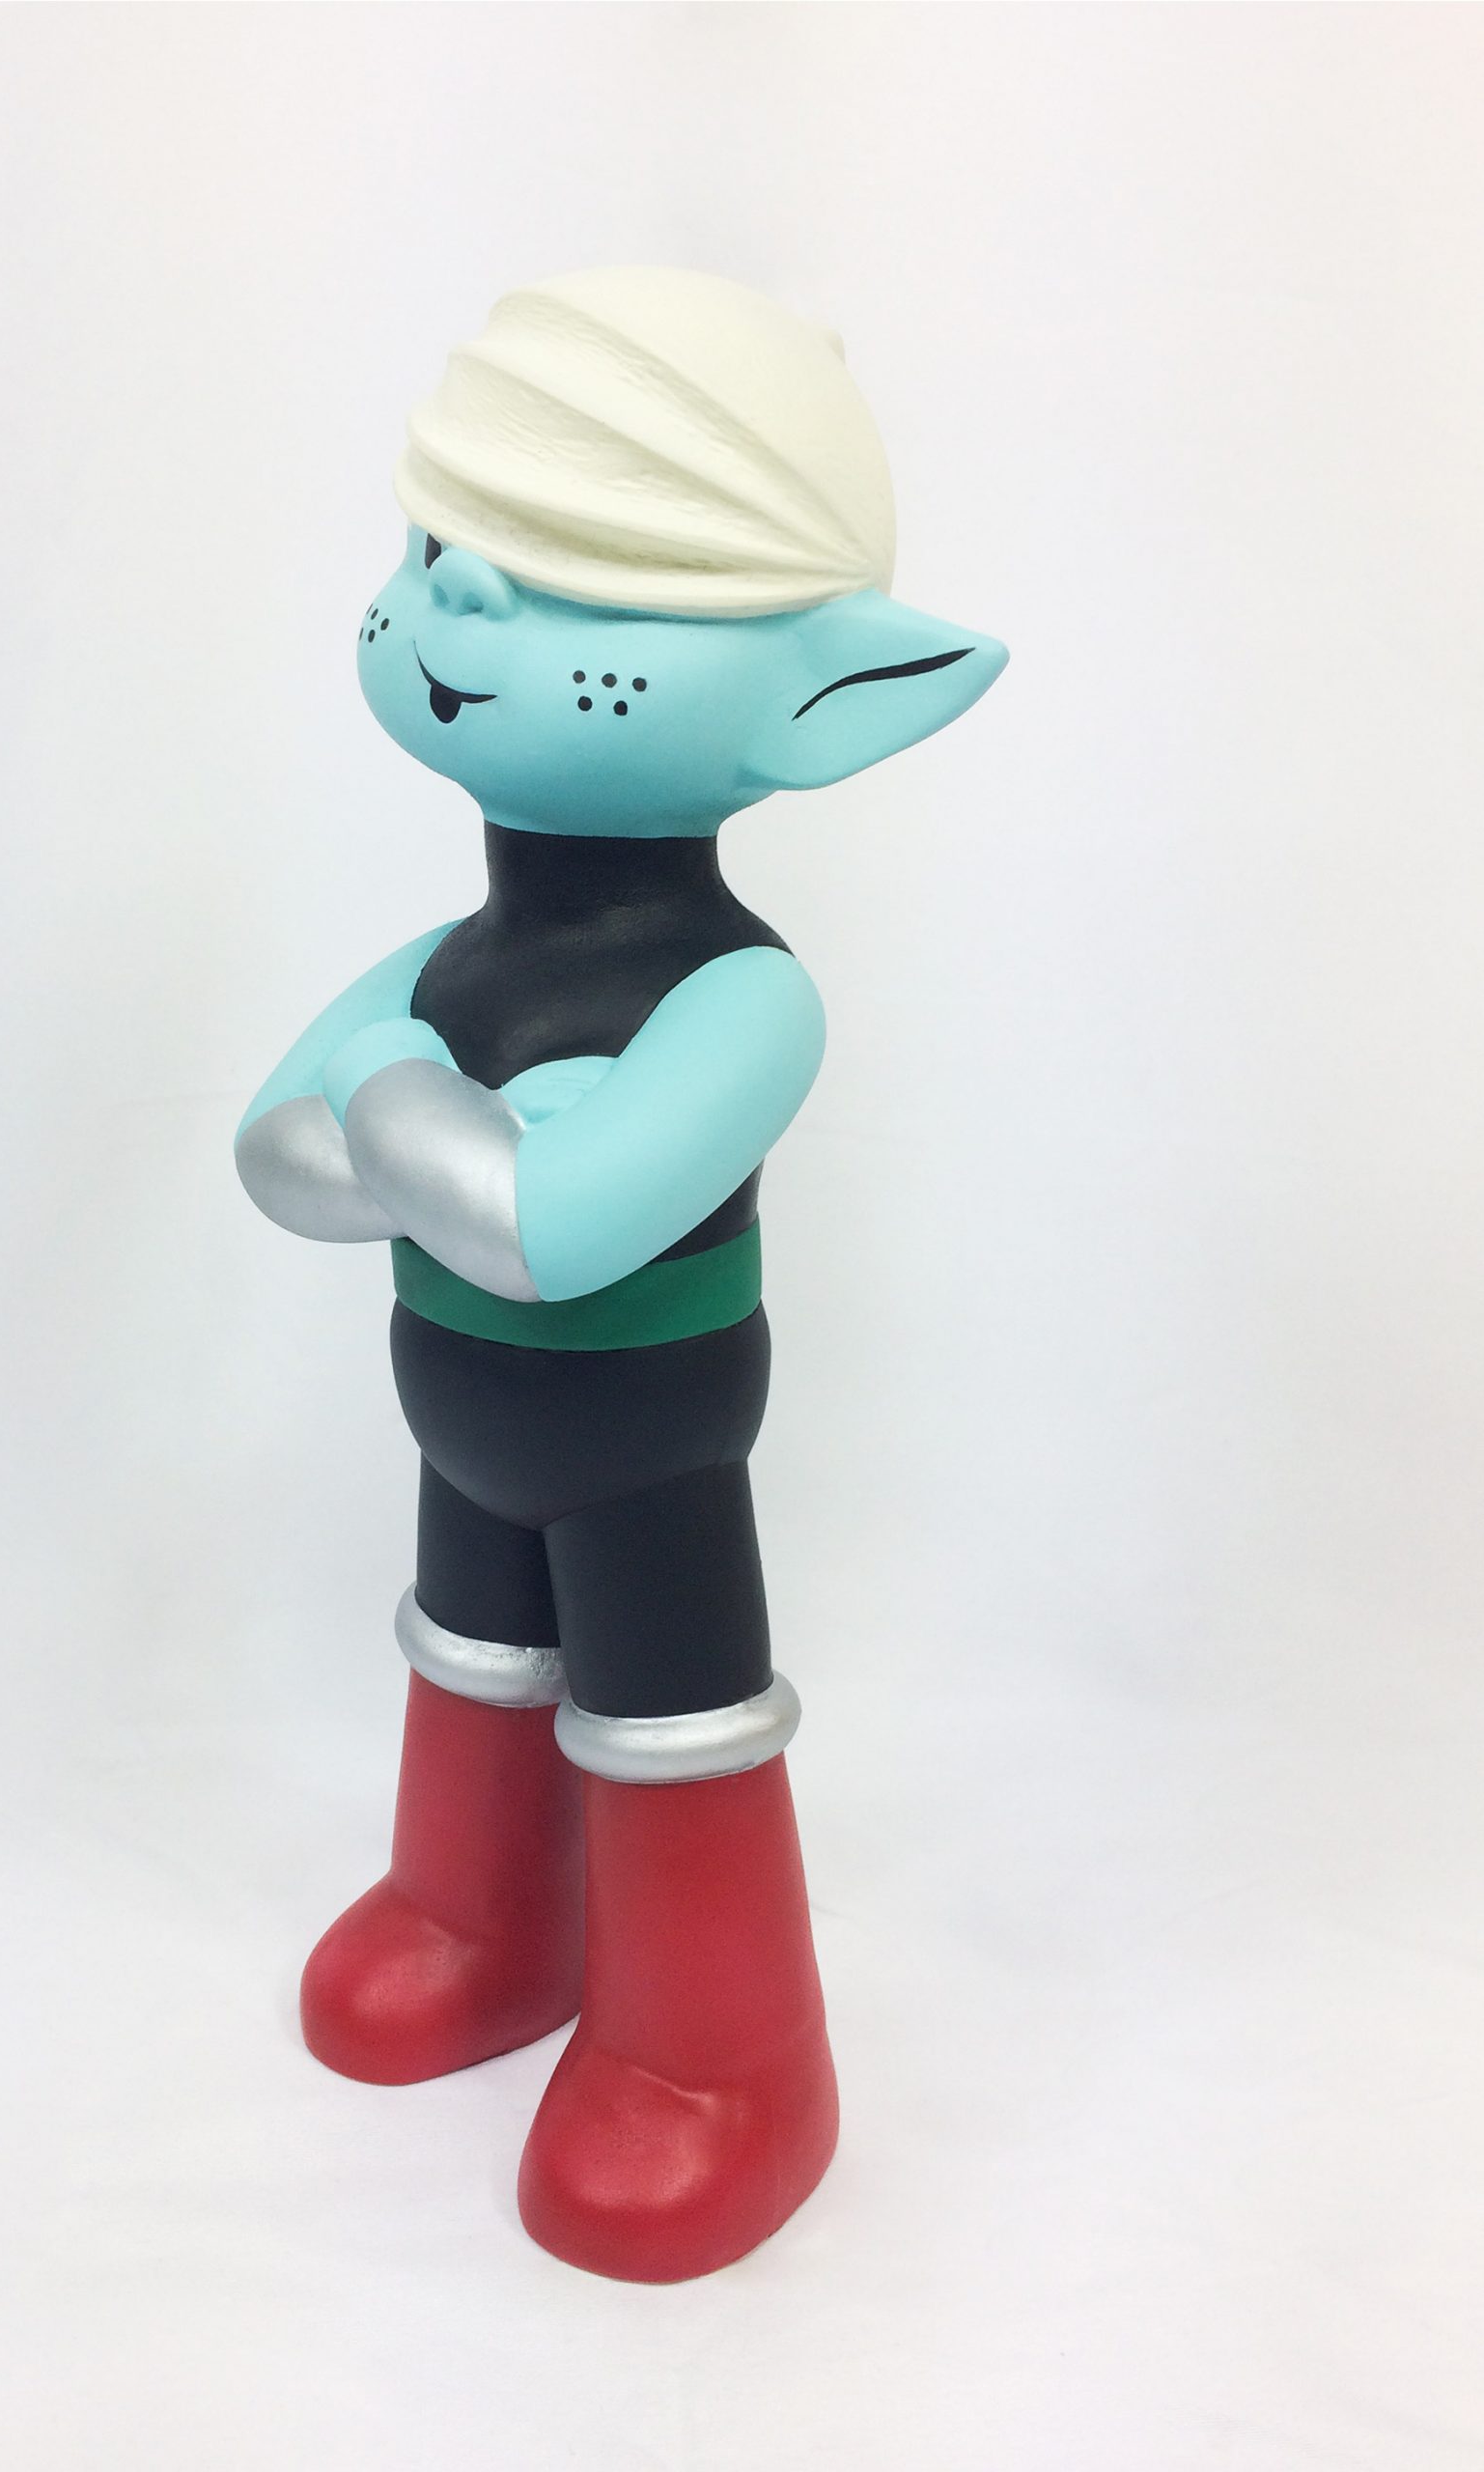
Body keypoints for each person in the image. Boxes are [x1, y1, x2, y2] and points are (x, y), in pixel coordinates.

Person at [235, 265, 1006, 2282]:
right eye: (441, 553)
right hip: (462, 1423)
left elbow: (551, 1232)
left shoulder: (743, 997)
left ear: (830, 700)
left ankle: (721, 2057)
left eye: (584, 587)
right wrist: (437, 1131)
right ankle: (480, 1918)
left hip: (649, 1443)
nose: (465, 609)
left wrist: (396, 1103)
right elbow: (278, 1165)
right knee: (471, 1653)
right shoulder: (449, 964)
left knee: (678, 1721)